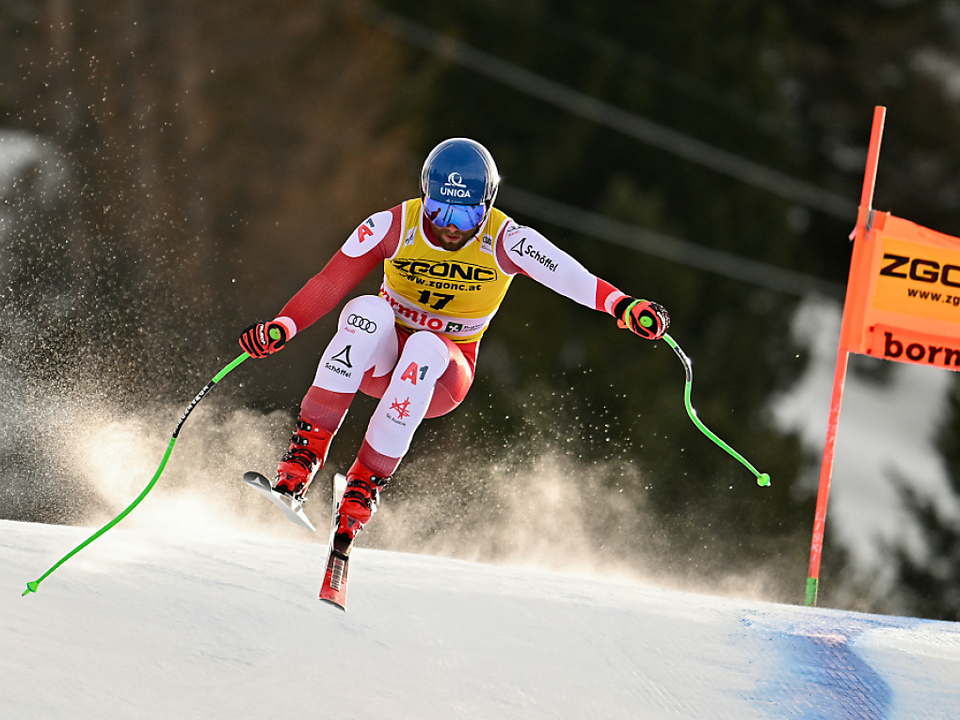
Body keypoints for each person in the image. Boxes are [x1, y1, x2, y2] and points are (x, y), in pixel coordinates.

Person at [239, 138, 669, 548]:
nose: (447, 225)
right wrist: (283, 327)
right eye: (438, 208)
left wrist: (622, 306)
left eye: (464, 215)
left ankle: (363, 487)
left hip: (441, 375)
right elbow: (330, 281)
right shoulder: (394, 225)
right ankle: (300, 463)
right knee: (366, 310)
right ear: (424, 195)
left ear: (486, 207)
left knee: (425, 345)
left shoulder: (506, 240)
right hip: (382, 362)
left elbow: (569, 276)